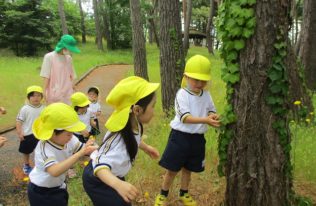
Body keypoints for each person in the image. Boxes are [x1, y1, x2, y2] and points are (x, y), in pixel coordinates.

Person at [82, 76, 160, 206]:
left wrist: (146, 148)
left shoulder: (132, 124)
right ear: (137, 110)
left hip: (111, 173)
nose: (155, 111)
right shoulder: (120, 144)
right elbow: (100, 167)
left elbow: (135, 139)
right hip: (98, 178)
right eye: (153, 106)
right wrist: (118, 184)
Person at [154, 55, 220, 206]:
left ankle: (184, 193)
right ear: (186, 77)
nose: (200, 83)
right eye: (196, 79)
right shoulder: (182, 94)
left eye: (203, 80)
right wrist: (206, 120)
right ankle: (163, 194)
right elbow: (185, 117)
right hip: (180, 138)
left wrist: (213, 116)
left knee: (188, 169)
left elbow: (210, 110)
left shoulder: (206, 95)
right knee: (172, 169)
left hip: (197, 138)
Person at [27, 103, 98, 206]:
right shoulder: (44, 148)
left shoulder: (69, 139)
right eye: (68, 134)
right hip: (41, 191)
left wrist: (95, 149)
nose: (71, 136)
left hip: (59, 186)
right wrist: (80, 154)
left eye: (72, 133)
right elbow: (54, 171)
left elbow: (83, 150)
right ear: (53, 133)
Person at [40, 34, 80, 105]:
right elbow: (46, 76)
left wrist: (76, 90)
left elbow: (71, 75)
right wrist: (44, 91)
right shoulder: (49, 57)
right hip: (54, 91)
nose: (70, 51)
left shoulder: (68, 58)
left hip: (67, 92)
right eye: (69, 49)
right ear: (63, 47)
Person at [16, 86, 45, 175]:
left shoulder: (44, 108)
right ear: (28, 98)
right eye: (33, 96)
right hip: (28, 134)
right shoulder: (25, 108)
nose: (36, 98)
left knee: (41, 150)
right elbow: (19, 121)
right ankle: (26, 165)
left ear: (41, 97)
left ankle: (40, 165)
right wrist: (20, 133)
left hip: (40, 134)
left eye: (38, 95)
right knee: (26, 151)